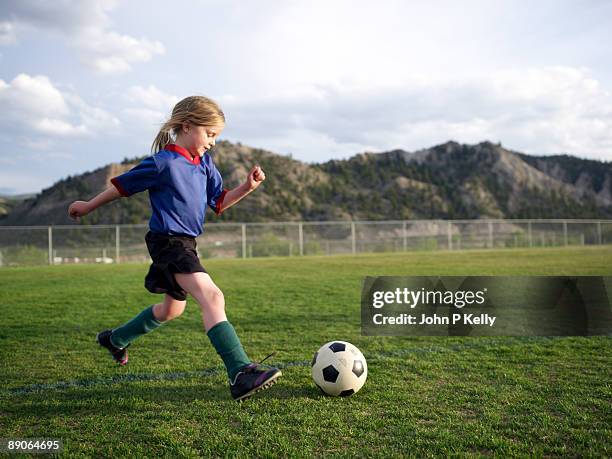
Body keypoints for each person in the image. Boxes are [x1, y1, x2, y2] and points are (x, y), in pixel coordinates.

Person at [68, 95, 281, 401]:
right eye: (210, 134)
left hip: (186, 244)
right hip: (167, 242)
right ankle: (239, 371)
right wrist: (88, 205)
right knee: (212, 295)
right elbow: (121, 187)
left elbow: (219, 202)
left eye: (216, 137)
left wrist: (246, 188)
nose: (213, 143)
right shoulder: (163, 163)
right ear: (187, 126)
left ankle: (116, 339)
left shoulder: (205, 163)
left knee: (172, 309)